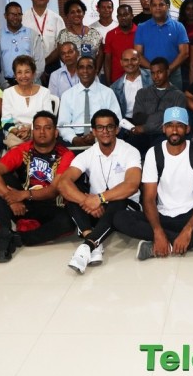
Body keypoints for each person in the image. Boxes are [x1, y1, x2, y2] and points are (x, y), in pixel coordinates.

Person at [114, 107, 193, 259]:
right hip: (163, 217)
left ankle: (167, 244)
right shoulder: (153, 153)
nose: (175, 130)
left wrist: (188, 230)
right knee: (120, 218)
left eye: (179, 126)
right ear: (164, 129)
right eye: (170, 125)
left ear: (187, 129)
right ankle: (192, 242)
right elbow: (149, 199)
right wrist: (157, 231)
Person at [57, 109, 142, 274]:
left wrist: (99, 198)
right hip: (97, 208)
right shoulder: (88, 154)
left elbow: (131, 185)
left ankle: (87, 246)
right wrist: (86, 200)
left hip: (126, 207)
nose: (105, 131)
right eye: (100, 128)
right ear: (94, 131)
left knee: (119, 200)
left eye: (109, 127)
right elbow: (63, 183)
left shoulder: (130, 151)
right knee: (72, 197)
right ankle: (93, 240)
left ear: (117, 129)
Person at [0, 111, 75, 263]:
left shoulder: (66, 155)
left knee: (68, 222)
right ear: (32, 131)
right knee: (5, 179)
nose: (42, 132)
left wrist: (23, 195)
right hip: (21, 205)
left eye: (47, 128)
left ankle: (18, 238)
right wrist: (12, 200)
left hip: (49, 206)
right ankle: (4, 232)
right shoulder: (23, 149)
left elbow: (54, 190)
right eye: (38, 128)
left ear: (56, 132)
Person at [58, 56, 121, 148]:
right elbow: (62, 125)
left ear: (96, 71)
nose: (85, 71)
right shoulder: (67, 95)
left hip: (102, 135)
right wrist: (74, 139)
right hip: (75, 138)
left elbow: (117, 120)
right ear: (77, 71)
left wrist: (96, 135)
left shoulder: (108, 92)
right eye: (81, 67)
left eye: (89, 67)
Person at [127, 57, 186, 156]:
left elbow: (174, 124)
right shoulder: (142, 93)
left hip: (164, 135)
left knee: (159, 149)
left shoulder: (178, 95)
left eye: (159, 72)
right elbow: (137, 118)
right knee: (129, 146)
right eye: (153, 73)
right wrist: (162, 117)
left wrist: (145, 127)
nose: (156, 76)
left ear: (168, 72)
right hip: (142, 135)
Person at [134, 0, 189, 90]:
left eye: (161, 5)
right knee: (149, 99)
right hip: (149, 74)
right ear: (150, 8)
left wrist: (168, 70)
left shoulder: (179, 27)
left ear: (167, 7)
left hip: (173, 73)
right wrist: (154, 71)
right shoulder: (141, 27)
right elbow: (138, 54)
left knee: (175, 99)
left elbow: (184, 53)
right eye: (154, 5)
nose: (158, 8)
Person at [1, 55, 53, 147]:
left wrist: (31, 129)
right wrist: (18, 131)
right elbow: (6, 120)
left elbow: (48, 118)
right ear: (15, 75)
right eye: (19, 72)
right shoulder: (8, 93)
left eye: (27, 72)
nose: (23, 76)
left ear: (33, 74)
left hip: (39, 131)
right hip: (16, 133)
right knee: (16, 147)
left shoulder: (44, 92)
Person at [22, 0, 65, 76]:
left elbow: (61, 46)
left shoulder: (57, 19)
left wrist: (43, 63)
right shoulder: (23, 18)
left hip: (52, 65)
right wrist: (36, 65)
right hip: (28, 66)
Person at [0, 1, 45, 86]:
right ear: (5, 16)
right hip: (6, 84)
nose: (16, 17)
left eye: (19, 14)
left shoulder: (32, 34)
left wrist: (29, 81)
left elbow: (40, 63)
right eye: (12, 14)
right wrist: (4, 84)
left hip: (31, 83)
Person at [54, 0, 103, 64]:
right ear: (67, 16)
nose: (76, 14)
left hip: (92, 69)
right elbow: (61, 55)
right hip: (72, 70)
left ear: (83, 13)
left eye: (79, 11)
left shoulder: (94, 33)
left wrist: (95, 69)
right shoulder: (63, 34)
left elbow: (100, 54)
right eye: (72, 12)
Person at [112, 49, 153, 120]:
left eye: (133, 59)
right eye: (126, 60)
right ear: (121, 62)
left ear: (139, 61)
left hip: (152, 120)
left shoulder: (153, 76)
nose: (130, 63)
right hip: (127, 122)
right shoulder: (115, 87)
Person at [103, 4, 138, 85]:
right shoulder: (110, 35)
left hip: (137, 79)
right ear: (117, 17)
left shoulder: (140, 32)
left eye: (126, 14)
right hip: (116, 81)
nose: (123, 18)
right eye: (120, 15)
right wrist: (108, 82)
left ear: (132, 16)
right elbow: (107, 61)